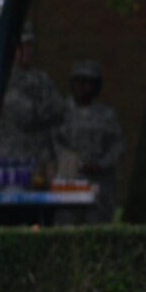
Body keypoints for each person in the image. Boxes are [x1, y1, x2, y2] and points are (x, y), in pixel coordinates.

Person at [54, 60, 124, 224]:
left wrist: (100, 164)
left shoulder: (106, 115)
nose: (83, 87)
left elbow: (118, 146)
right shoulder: (61, 113)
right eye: (79, 82)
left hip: (100, 186)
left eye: (88, 83)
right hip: (69, 184)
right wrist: (75, 166)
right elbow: (54, 144)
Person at [0, 22, 65, 178]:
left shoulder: (42, 78)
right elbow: (26, 114)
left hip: (41, 161)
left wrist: (43, 110)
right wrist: (44, 109)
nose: (25, 51)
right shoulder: (2, 80)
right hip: (12, 162)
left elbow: (60, 110)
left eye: (29, 45)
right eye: (21, 46)